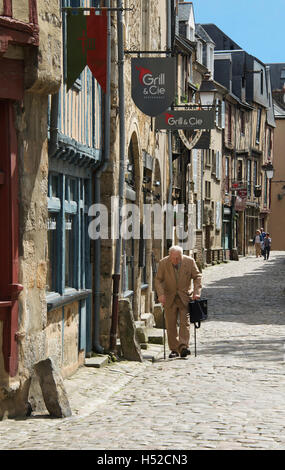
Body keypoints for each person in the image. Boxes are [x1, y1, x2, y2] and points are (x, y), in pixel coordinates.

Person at [154, 245, 202, 358]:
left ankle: (183, 347)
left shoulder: (189, 261)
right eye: (174, 258)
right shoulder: (163, 263)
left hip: (185, 297)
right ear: (169, 255)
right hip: (169, 297)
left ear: (182, 255)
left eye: (178, 258)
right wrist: (160, 294)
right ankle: (174, 349)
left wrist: (196, 292)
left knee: (185, 322)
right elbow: (158, 280)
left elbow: (197, 276)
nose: (176, 260)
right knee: (170, 324)